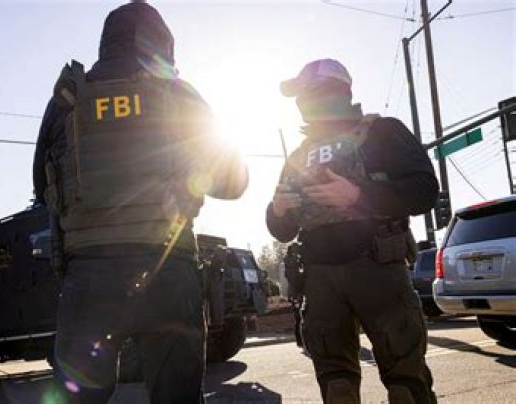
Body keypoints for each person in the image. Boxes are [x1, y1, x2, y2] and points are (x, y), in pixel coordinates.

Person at [32, 2, 248, 403]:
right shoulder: (179, 95)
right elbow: (234, 182)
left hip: (89, 279)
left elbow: (41, 185)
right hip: (168, 273)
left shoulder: (67, 98)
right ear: (162, 44)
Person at [266, 59, 438, 404]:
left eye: (311, 92)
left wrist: (359, 196)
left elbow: (425, 191)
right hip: (320, 279)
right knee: (337, 387)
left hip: (377, 269)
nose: (305, 101)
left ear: (339, 91)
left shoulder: (382, 132)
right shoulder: (299, 156)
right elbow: (282, 231)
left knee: (406, 385)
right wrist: (278, 210)